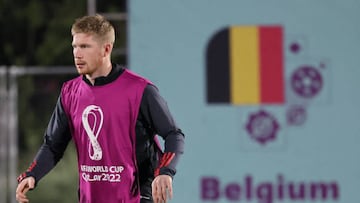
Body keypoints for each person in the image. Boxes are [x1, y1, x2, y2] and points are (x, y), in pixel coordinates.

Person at [15, 14, 185, 203]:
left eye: (85, 47)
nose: (77, 54)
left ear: (106, 49)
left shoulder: (140, 90)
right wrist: (33, 173)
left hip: (137, 198)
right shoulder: (70, 93)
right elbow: (53, 145)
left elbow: (173, 135)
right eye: (75, 46)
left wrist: (165, 172)